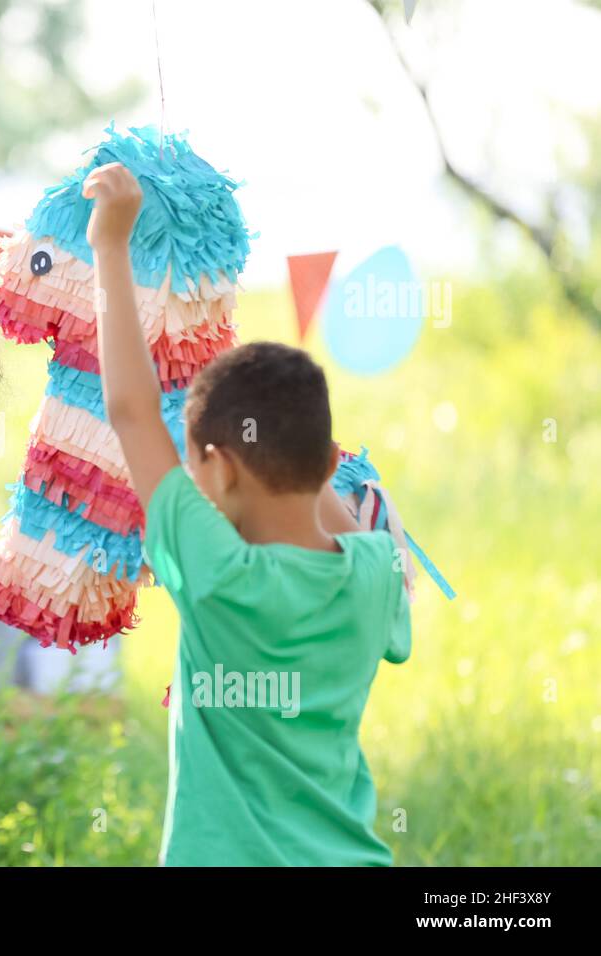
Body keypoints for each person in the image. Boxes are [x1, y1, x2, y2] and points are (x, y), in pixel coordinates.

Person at [86, 164, 411, 866]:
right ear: (331, 466)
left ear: (219, 467)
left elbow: (132, 413)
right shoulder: (379, 569)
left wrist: (109, 245)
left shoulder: (215, 573)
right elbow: (318, 482)